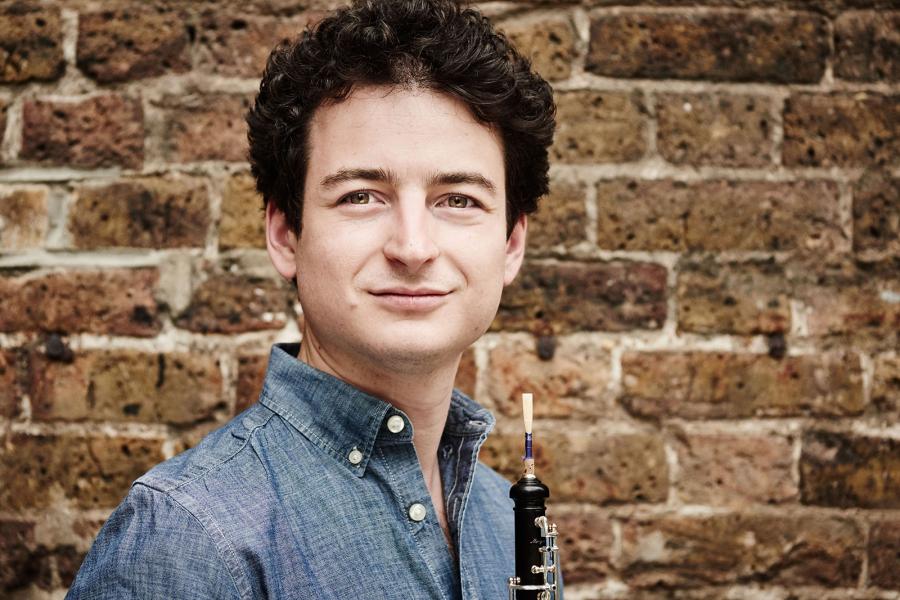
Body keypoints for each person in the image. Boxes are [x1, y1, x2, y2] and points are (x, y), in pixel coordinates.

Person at [66, 0, 555, 597]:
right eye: (360, 196)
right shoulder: (188, 536)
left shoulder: (506, 521)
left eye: (458, 200)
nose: (413, 247)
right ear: (284, 235)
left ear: (510, 244)